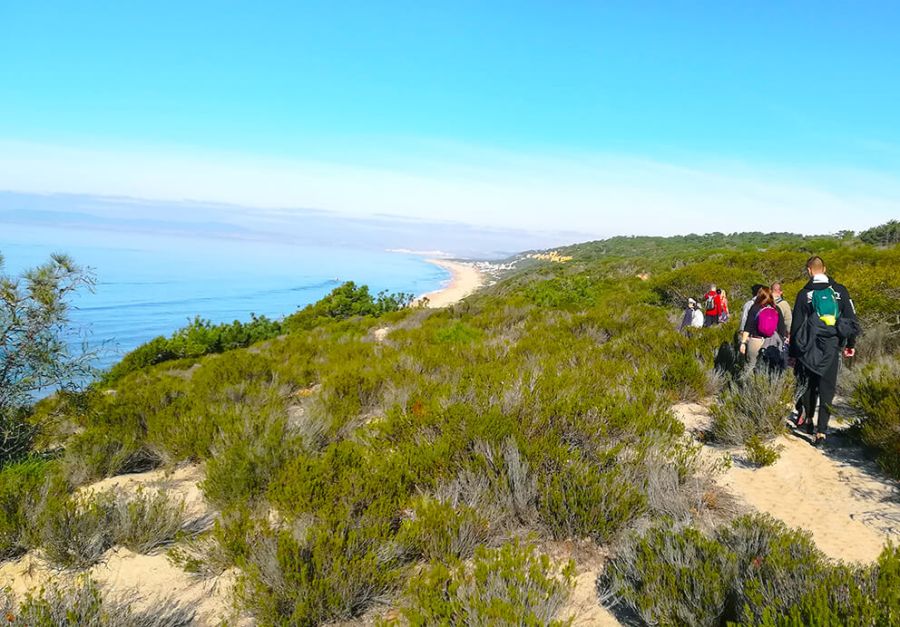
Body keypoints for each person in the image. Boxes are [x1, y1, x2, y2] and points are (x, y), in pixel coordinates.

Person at [789, 256, 860, 447]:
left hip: (808, 348)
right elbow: (851, 320)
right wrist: (850, 345)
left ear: (809, 271)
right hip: (832, 346)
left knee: (809, 385)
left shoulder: (804, 294)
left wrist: (793, 353)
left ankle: (809, 420)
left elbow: (796, 325)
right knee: (827, 388)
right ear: (825, 269)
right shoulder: (840, 291)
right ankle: (822, 432)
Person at [739, 286, 787, 371]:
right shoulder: (776, 309)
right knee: (770, 367)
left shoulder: (755, 308)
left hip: (755, 341)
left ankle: (748, 382)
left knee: (751, 366)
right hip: (771, 342)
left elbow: (748, 327)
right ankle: (768, 383)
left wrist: (743, 342)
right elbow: (782, 328)